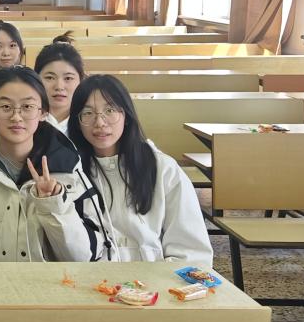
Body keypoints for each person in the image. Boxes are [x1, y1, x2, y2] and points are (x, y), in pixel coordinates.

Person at [67, 75, 213, 267]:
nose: (100, 122)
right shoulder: (70, 172)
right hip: (92, 278)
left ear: (126, 115)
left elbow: (191, 251)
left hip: (153, 280)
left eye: (110, 110)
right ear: (77, 122)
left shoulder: (163, 169)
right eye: (88, 113)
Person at [0, 66, 93, 262]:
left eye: (27, 107)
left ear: (43, 112)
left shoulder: (67, 167)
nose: (16, 117)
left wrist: (53, 204)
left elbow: (81, 258)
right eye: (6, 107)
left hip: (52, 282)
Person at [35, 41, 86, 134]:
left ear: (80, 81)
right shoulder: (24, 122)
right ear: (36, 79)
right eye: (50, 78)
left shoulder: (89, 124)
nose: (59, 87)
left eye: (68, 78)